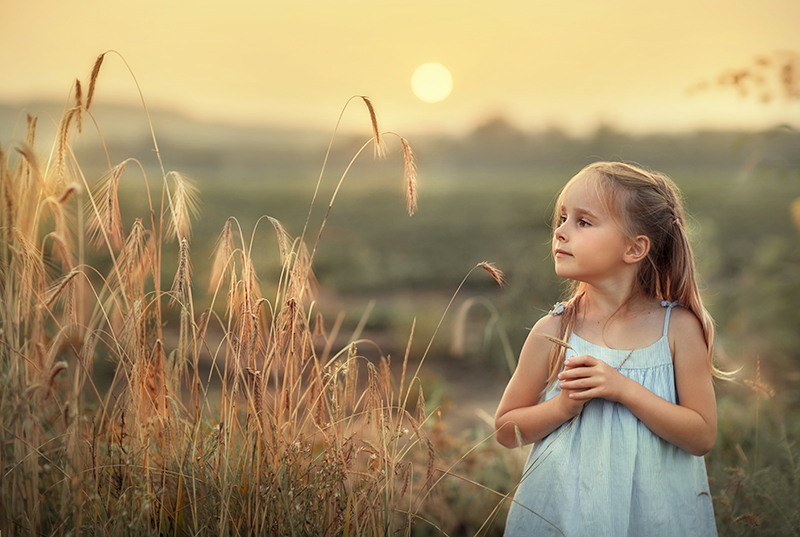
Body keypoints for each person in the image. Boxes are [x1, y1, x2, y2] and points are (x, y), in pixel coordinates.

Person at [494, 162, 719, 536]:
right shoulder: (553, 331)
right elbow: (505, 429)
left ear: (634, 248)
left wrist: (624, 389)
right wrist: (562, 406)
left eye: (583, 222)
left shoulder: (677, 329)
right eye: (562, 217)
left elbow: (702, 435)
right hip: (566, 518)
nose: (561, 232)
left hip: (656, 519)